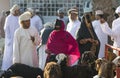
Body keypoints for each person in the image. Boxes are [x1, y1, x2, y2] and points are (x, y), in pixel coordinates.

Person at [1, 4, 20, 70]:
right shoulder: (9, 18)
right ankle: (7, 68)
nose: (18, 12)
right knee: (9, 54)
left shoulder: (18, 17)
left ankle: (15, 67)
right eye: (17, 11)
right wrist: (9, 39)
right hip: (10, 39)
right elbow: (6, 29)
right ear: (14, 11)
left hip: (17, 38)